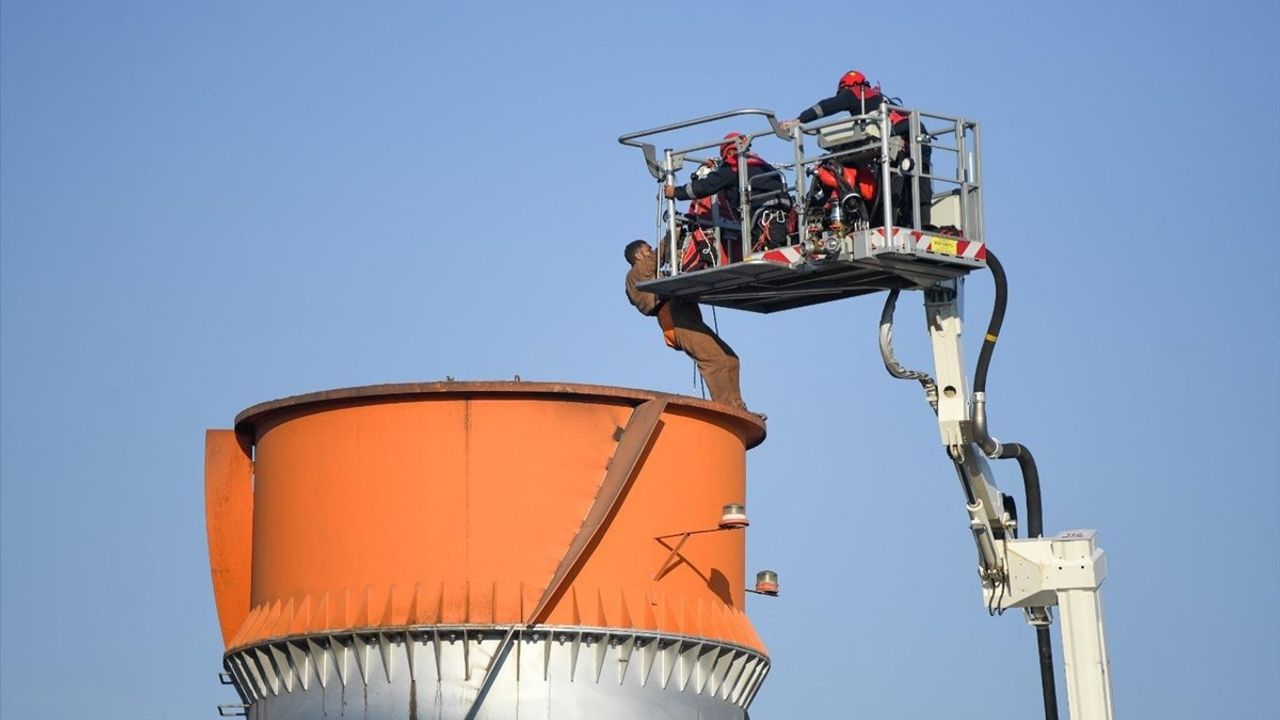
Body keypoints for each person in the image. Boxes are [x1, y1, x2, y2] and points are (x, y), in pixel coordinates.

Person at [781, 70, 932, 227]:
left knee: (892, 179)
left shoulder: (854, 92)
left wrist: (797, 121)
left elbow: (826, 106)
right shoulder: (877, 97)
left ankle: (888, 223)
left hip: (899, 135)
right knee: (917, 177)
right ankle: (921, 222)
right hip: (916, 132)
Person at [623, 239, 751, 412]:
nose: (650, 251)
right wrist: (670, 237)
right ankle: (727, 409)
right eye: (647, 249)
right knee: (715, 361)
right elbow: (656, 258)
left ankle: (737, 407)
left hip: (689, 322)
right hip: (677, 323)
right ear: (638, 255)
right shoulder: (635, 274)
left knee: (730, 359)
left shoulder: (651, 275)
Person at [663, 132, 792, 259]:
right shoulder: (761, 163)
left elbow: (707, 186)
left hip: (763, 220)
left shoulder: (735, 164)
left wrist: (676, 192)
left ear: (729, 152)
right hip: (783, 217)